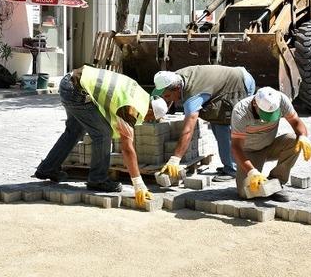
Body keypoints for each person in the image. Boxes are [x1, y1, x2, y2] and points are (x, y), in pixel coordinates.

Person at [34, 66, 157, 208]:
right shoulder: (131, 108)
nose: (149, 120)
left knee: (74, 131)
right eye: (151, 117)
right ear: (149, 109)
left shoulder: (140, 95)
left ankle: (47, 168)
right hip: (76, 89)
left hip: (70, 81)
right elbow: (127, 148)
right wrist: (138, 183)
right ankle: (98, 180)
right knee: (103, 134)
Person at [155, 65, 256, 183]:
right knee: (215, 118)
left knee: (222, 126)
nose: (166, 99)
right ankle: (229, 163)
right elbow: (169, 96)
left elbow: (188, 130)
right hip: (228, 80)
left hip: (240, 83)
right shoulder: (174, 77)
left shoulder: (193, 96)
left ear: (177, 88)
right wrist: (161, 113)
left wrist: (175, 159)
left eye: (167, 96)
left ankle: (232, 169)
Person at [230, 87, 311, 202]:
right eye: (265, 114)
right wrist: (252, 172)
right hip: (249, 152)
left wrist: (303, 136)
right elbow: (236, 147)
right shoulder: (241, 111)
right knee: (245, 192)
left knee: (295, 140)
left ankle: (276, 181)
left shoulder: (281, 99)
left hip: (271, 145)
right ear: (255, 104)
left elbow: (296, 122)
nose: (268, 119)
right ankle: (267, 186)